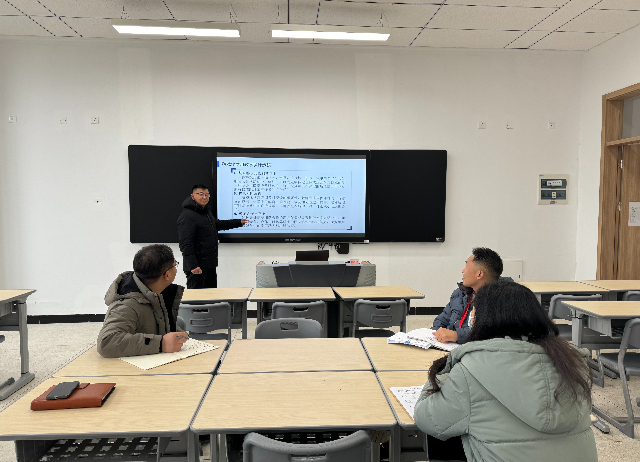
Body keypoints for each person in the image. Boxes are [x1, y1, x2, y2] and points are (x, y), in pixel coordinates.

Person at [414, 281, 597, 462]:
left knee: (445, 437)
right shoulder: (571, 363)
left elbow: (427, 418)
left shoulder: (471, 369)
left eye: (474, 313)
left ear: (484, 320)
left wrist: (442, 371)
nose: (471, 317)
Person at [97, 244, 188, 358]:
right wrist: (161, 344)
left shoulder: (157, 291)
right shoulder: (127, 306)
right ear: (167, 275)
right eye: (175, 265)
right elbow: (106, 342)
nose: (176, 268)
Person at [177, 184, 248, 289]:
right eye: (201, 194)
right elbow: (185, 244)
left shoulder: (205, 212)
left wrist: (238, 222)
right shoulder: (187, 216)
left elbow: (217, 225)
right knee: (196, 297)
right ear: (193, 196)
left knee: (211, 295)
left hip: (209, 264)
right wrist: (193, 265)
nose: (204, 197)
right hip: (197, 267)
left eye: (207, 194)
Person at [432, 247, 503, 344]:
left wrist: (457, 336)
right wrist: (433, 335)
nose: (463, 270)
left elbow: (491, 334)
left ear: (479, 274)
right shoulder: (460, 293)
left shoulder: (500, 300)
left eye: (466, 266)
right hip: (447, 346)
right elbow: (442, 320)